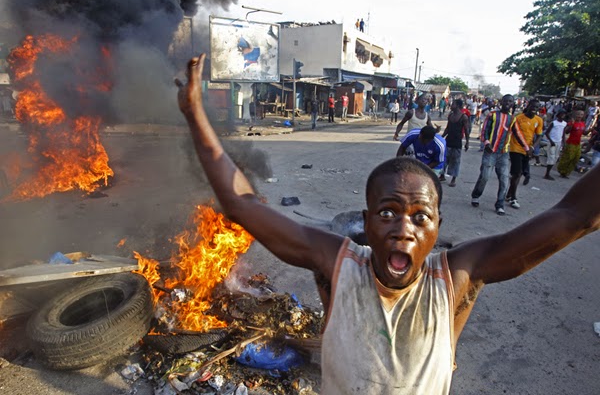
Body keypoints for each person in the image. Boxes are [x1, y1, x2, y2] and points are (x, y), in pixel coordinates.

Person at [175, 54, 600, 395]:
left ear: (437, 227)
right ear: (365, 222)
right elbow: (241, 203)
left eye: (420, 217)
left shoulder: (457, 276)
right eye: (387, 213)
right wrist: (195, 113)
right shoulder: (336, 264)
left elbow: (574, 218)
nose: (403, 229)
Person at [471, 94, 529, 216]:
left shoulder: (512, 119)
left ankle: (500, 204)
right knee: (485, 176)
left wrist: (526, 147)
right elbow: (484, 131)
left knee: (504, 180)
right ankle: (476, 195)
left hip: (503, 154)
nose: (508, 103)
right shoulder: (492, 115)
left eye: (510, 102)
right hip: (490, 152)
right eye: (506, 101)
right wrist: (486, 143)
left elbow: (517, 133)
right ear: (501, 102)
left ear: (513, 104)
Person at [506, 99, 543, 209]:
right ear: (528, 105)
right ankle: (513, 198)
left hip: (528, 150)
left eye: (536, 107)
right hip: (515, 148)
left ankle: (509, 193)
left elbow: (539, 135)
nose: (534, 109)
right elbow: (512, 131)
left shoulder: (538, 120)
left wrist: (532, 147)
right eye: (532, 106)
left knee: (519, 173)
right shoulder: (518, 118)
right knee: (517, 173)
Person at [440, 99, 469, 187]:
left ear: (458, 106)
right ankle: (442, 175)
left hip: (457, 142)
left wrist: (467, 142)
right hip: (448, 140)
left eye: (453, 104)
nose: (451, 105)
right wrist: (441, 137)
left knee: (455, 161)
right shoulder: (451, 115)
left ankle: (453, 179)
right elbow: (447, 128)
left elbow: (467, 130)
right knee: (444, 159)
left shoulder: (463, 117)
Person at [557, 109, 590, 178]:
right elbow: (566, 132)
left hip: (578, 144)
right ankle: (562, 171)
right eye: (578, 114)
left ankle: (567, 171)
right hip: (570, 143)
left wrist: (591, 129)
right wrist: (571, 125)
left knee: (576, 158)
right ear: (575, 115)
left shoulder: (582, 123)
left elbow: (584, 133)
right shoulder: (571, 123)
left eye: (581, 114)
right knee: (568, 158)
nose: (579, 116)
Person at [543, 109, 568, 180]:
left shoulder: (564, 124)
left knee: (556, 157)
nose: (562, 116)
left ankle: (548, 173)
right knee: (551, 157)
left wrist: (564, 143)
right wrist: (551, 141)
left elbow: (563, 134)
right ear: (558, 115)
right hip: (552, 142)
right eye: (561, 114)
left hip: (559, 142)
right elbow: (547, 133)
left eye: (564, 115)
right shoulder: (554, 123)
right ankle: (547, 174)